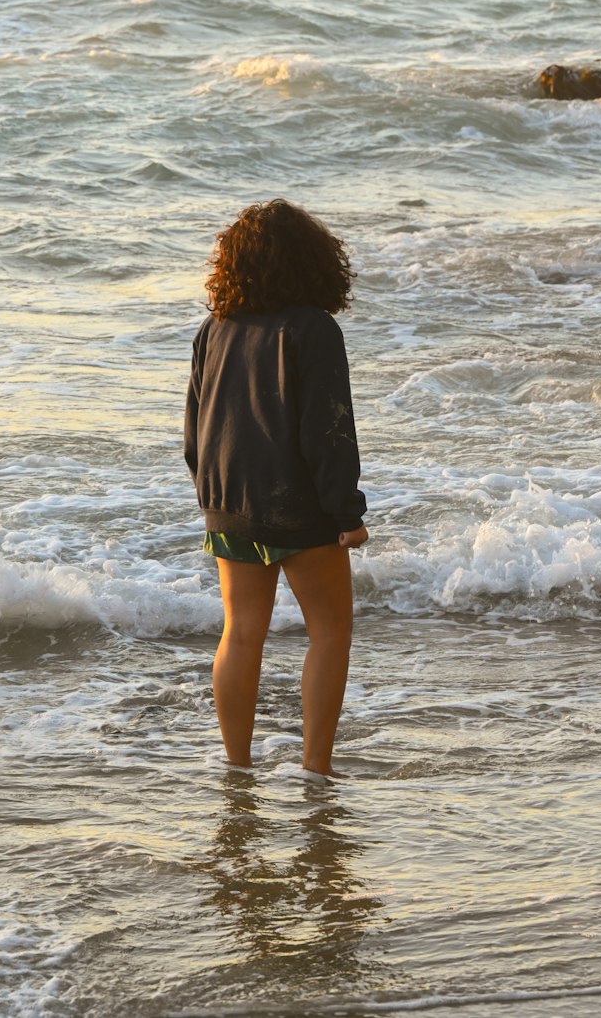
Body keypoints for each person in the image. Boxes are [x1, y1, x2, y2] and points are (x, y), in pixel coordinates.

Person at [184, 199, 369, 777]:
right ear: (313, 262)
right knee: (331, 632)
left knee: (241, 636)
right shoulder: (314, 330)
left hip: (229, 503)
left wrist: (213, 496)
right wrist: (346, 511)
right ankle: (317, 768)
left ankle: (237, 767)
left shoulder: (213, 329)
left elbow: (194, 429)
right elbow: (329, 429)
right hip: (299, 505)